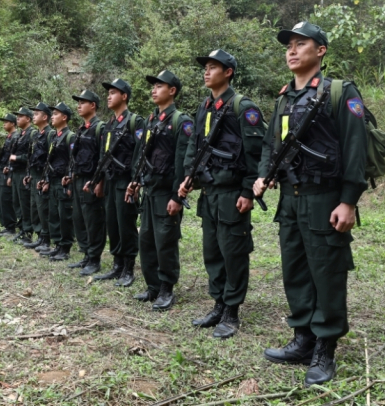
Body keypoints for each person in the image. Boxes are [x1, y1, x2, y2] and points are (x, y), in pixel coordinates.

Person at [253, 21, 367, 386]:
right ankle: (303, 338)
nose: (291, 50)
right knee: (296, 270)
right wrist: (262, 174)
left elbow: (354, 149)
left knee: (327, 273)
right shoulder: (285, 97)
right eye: (289, 45)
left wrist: (348, 201)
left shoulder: (339, 92)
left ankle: (325, 348)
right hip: (290, 198)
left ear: (320, 51)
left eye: (301, 44)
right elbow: (271, 144)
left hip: (324, 199)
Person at [178, 50, 265, 339]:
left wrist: (247, 191)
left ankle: (231, 311)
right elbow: (195, 147)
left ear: (228, 72)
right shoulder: (205, 106)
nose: (206, 72)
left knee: (233, 254)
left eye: (213, 67)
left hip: (232, 194)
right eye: (205, 67)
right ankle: (217, 304)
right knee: (212, 252)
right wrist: (189, 178)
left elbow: (256, 153)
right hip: (210, 192)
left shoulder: (243, 107)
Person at [128, 70, 193, 311]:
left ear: (172, 90)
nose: (154, 89)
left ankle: (166, 289)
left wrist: (178, 195)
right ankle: (152, 286)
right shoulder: (152, 121)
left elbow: (182, 161)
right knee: (146, 240)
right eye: (153, 86)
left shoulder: (181, 121)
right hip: (150, 191)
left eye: (159, 86)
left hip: (167, 193)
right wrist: (136, 181)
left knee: (165, 241)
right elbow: (144, 155)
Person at [88, 78, 145, 288]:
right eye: (108, 92)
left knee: (126, 225)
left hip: (125, 182)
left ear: (124, 96)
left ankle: (128, 268)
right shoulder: (109, 124)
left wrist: (135, 183)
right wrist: (100, 181)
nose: (109, 96)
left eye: (113, 92)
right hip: (111, 181)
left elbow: (140, 155)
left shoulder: (135, 122)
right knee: (112, 224)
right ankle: (116, 265)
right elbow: (104, 155)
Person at [63, 90, 106, 276]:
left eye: (83, 102)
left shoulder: (100, 128)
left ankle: (95, 259)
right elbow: (76, 157)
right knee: (79, 219)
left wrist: (99, 181)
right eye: (78, 102)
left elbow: (103, 158)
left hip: (91, 180)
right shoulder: (81, 129)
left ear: (93, 105)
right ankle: (87, 255)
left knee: (93, 221)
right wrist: (71, 175)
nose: (79, 106)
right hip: (78, 180)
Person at [39, 102, 76, 261]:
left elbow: (73, 161)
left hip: (63, 181)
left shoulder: (70, 136)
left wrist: (69, 181)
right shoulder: (54, 136)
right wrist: (46, 179)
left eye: (55, 114)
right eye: (52, 114)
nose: (52, 117)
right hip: (53, 181)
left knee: (64, 215)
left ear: (64, 117)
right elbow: (49, 160)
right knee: (53, 214)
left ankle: (65, 247)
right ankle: (58, 245)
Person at [22, 102, 52, 248]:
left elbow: (51, 158)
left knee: (43, 207)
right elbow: (32, 156)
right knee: (35, 207)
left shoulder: (50, 134)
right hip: (34, 174)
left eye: (36, 114)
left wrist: (46, 178)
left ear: (45, 117)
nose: (33, 116)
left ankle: (46, 238)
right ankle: (40, 236)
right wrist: (28, 173)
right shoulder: (36, 135)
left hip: (42, 175)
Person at [7, 107, 37, 241]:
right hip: (16, 173)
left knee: (25, 204)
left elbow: (32, 156)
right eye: (17, 116)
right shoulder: (19, 135)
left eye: (21, 116)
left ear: (28, 119)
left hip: (25, 173)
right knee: (17, 203)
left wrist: (17, 158)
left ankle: (28, 232)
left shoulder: (32, 134)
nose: (17, 118)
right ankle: (22, 228)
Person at [0, 113, 19, 237]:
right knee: (0, 200)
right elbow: (4, 155)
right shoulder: (9, 137)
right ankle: (6, 225)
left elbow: (13, 157)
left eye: (6, 121)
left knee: (6, 199)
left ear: (13, 123)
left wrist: (9, 171)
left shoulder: (15, 137)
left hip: (8, 173)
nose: (4, 123)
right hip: (1, 172)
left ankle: (11, 226)